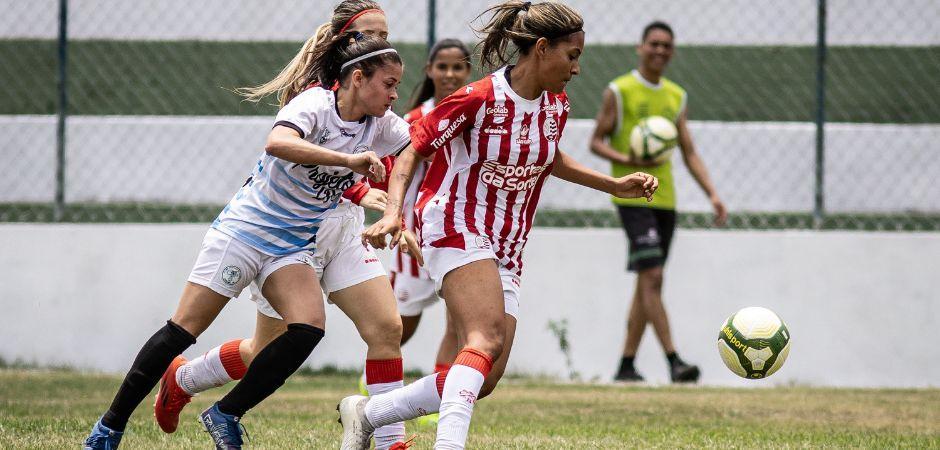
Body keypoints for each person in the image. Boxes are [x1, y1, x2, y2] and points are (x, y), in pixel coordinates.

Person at [339, 2, 659, 449]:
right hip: (455, 223)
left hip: (508, 242)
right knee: (483, 338)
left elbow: (549, 157)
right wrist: (394, 210)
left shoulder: (557, 106)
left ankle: (369, 413)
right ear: (542, 49)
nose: (578, 68)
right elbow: (414, 147)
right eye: (572, 56)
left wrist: (612, 185)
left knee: (482, 376)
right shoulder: (478, 98)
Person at [83, 29, 412, 450]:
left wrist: (394, 211)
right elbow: (278, 142)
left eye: (398, 86)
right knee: (183, 330)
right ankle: (109, 427)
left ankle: (225, 412)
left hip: (292, 247)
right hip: (245, 233)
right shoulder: (314, 104)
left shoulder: (382, 125)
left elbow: (413, 151)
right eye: (389, 84)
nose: (394, 95)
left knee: (308, 328)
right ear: (358, 78)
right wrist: (348, 160)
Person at [589, 21, 727, 383]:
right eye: (654, 44)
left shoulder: (676, 96)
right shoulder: (619, 90)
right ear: (640, 47)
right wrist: (631, 163)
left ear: (673, 52)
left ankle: (626, 365)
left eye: (667, 46)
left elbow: (689, 151)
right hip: (634, 197)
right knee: (652, 275)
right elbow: (596, 141)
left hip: (666, 200)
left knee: (647, 285)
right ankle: (674, 361)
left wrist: (712, 193)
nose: (660, 51)